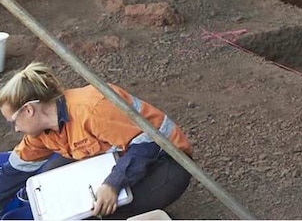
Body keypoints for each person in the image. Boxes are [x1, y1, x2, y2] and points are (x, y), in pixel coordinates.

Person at [0, 62, 192, 219]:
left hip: (167, 160)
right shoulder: (42, 132)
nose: (15, 129)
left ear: (28, 110)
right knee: (50, 176)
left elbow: (148, 142)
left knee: (100, 210)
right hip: (122, 157)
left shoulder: (92, 110)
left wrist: (113, 184)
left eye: (13, 122)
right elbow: (16, 170)